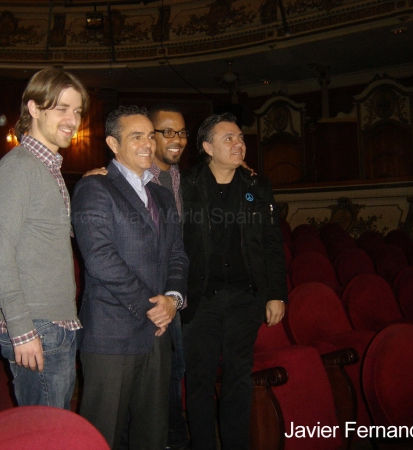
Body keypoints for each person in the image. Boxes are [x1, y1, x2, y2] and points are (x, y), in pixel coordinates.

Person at [72, 105, 189, 450]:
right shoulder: (95, 189)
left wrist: (174, 299)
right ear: (113, 143)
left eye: (151, 136)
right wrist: (151, 305)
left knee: (152, 434)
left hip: (158, 332)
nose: (148, 144)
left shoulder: (163, 195)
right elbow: (100, 259)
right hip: (112, 335)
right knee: (102, 434)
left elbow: (178, 256)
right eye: (136, 136)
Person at [180, 113, 287, 450]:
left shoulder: (257, 186)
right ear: (207, 147)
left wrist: (276, 294)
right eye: (228, 138)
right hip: (200, 301)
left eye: (240, 137)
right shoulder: (184, 185)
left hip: (245, 299)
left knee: (238, 379)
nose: (239, 143)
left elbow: (271, 244)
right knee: (199, 382)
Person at [0, 69, 89, 409]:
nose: (72, 120)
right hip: (36, 327)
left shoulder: (47, 168)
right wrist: (22, 330)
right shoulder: (19, 168)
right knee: (43, 434)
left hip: (55, 323)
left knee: (51, 428)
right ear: (33, 108)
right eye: (62, 109)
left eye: (77, 111)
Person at [147, 103, 190, 450]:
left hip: (179, 294)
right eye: (168, 131)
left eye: (181, 132)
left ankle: (173, 439)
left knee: (176, 375)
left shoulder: (179, 178)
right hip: (153, 299)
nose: (177, 139)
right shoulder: (137, 177)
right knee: (156, 382)